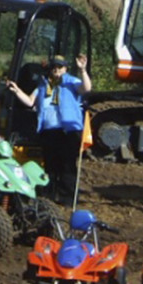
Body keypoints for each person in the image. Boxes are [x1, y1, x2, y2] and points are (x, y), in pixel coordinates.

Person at [6, 54, 91, 205]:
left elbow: (86, 88)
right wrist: (17, 91)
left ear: (66, 68)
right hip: (49, 131)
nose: (57, 70)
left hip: (68, 131)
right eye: (54, 67)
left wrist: (83, 70)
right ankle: (49, 197)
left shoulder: (72, 82)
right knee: (50, 165)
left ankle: (68, 198)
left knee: (67, 165)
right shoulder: (43, 85)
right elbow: (30, 102)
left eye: (60, 67)